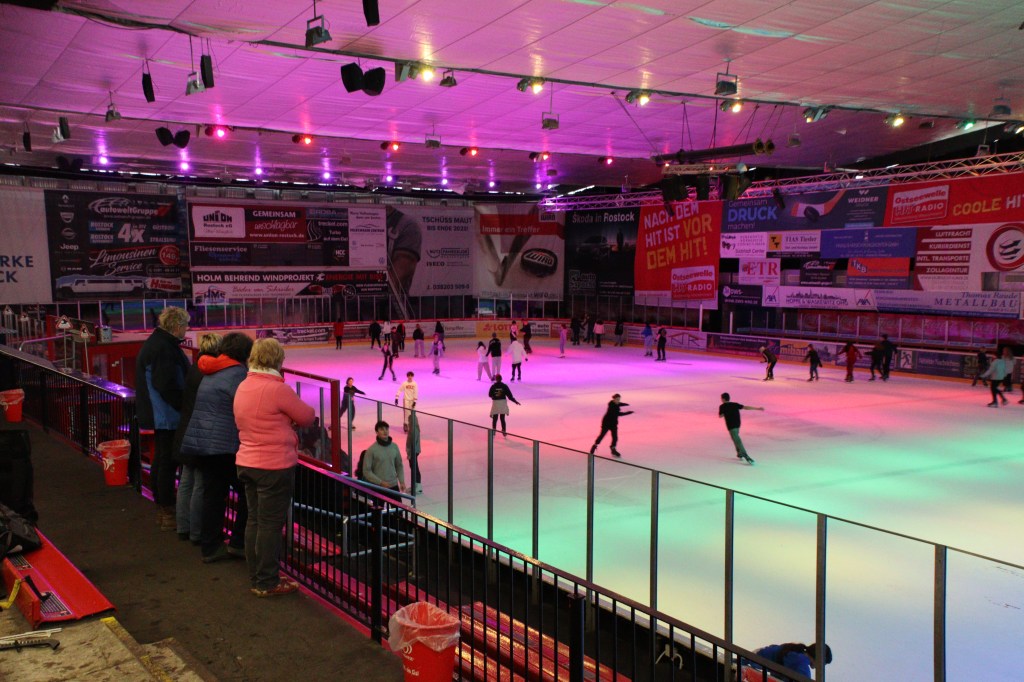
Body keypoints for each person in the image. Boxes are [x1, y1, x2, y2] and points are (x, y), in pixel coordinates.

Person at [234, 338, 315, 597]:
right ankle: (267, 581)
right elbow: (307, 416)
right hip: (273, 465)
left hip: (246, 462)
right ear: (277, 360)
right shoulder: (277, 389)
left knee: (254, 520)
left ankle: (257, 576)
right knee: (270, 524)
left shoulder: (244, 385)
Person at [181, 332, 253, 563]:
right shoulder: (238, 375)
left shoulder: (213, 370)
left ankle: (211, 545)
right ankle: (238, 542)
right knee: (248, 492)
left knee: (213, 494)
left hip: (204, 441)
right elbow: (246, 408)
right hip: (223, 445)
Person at [136, 306, 191, 531]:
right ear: (176, 326)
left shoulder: (159, 343)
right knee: (167, 462)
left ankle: (163, 508)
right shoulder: (163, 348)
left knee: (162, 461)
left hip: (160, 414)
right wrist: (184, 406)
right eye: (185, 325)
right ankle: (166, 510)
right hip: (166, 415)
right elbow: (166, 384)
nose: (187, 329)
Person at [172, 332, 221, 544]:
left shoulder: (194, 368)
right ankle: (196, 532)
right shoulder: (210, 373)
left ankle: (184, 527)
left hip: (186, 430)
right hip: (200, 433)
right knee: (199, 484)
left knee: (186, 481)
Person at [363, 420, 406, 500]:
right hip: (378, 487)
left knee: (398, 508)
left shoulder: (394, 447)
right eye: (382, 429)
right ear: (377, 432)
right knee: (379, 508)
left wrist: (401, 481)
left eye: (386, 429)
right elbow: (366, 471)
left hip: (393, 485)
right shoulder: (372, 450)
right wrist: (380, 482)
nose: (385, 431)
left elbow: (399, 465)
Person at [747, 642, 832, 680]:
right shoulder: (801, 662)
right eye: (823, 664)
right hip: (752, 660)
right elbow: (804, 679)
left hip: (754, 657)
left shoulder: (799, 653)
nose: (821, 668)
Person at [719, 392, 763, 464]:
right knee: (735, 438)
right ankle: (739, 453)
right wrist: (757, 408)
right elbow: (745, 407)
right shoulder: (735, 404)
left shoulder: (722, 406)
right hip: (737, 425)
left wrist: (726, 412)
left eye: (721, 398)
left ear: (723, 399)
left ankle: (746, 456)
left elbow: (720, 416)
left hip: (731, 426)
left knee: (737, 440)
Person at [406, 409, 422, 495]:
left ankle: (418, 485)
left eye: (409, 420)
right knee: (413, 467)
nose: (408, 422)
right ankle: (415, 484)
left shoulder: (414, 430)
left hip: (413, 451)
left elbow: (413, 443)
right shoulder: (412, 429)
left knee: (415, 468)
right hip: (412, 451)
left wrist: (410, 454)